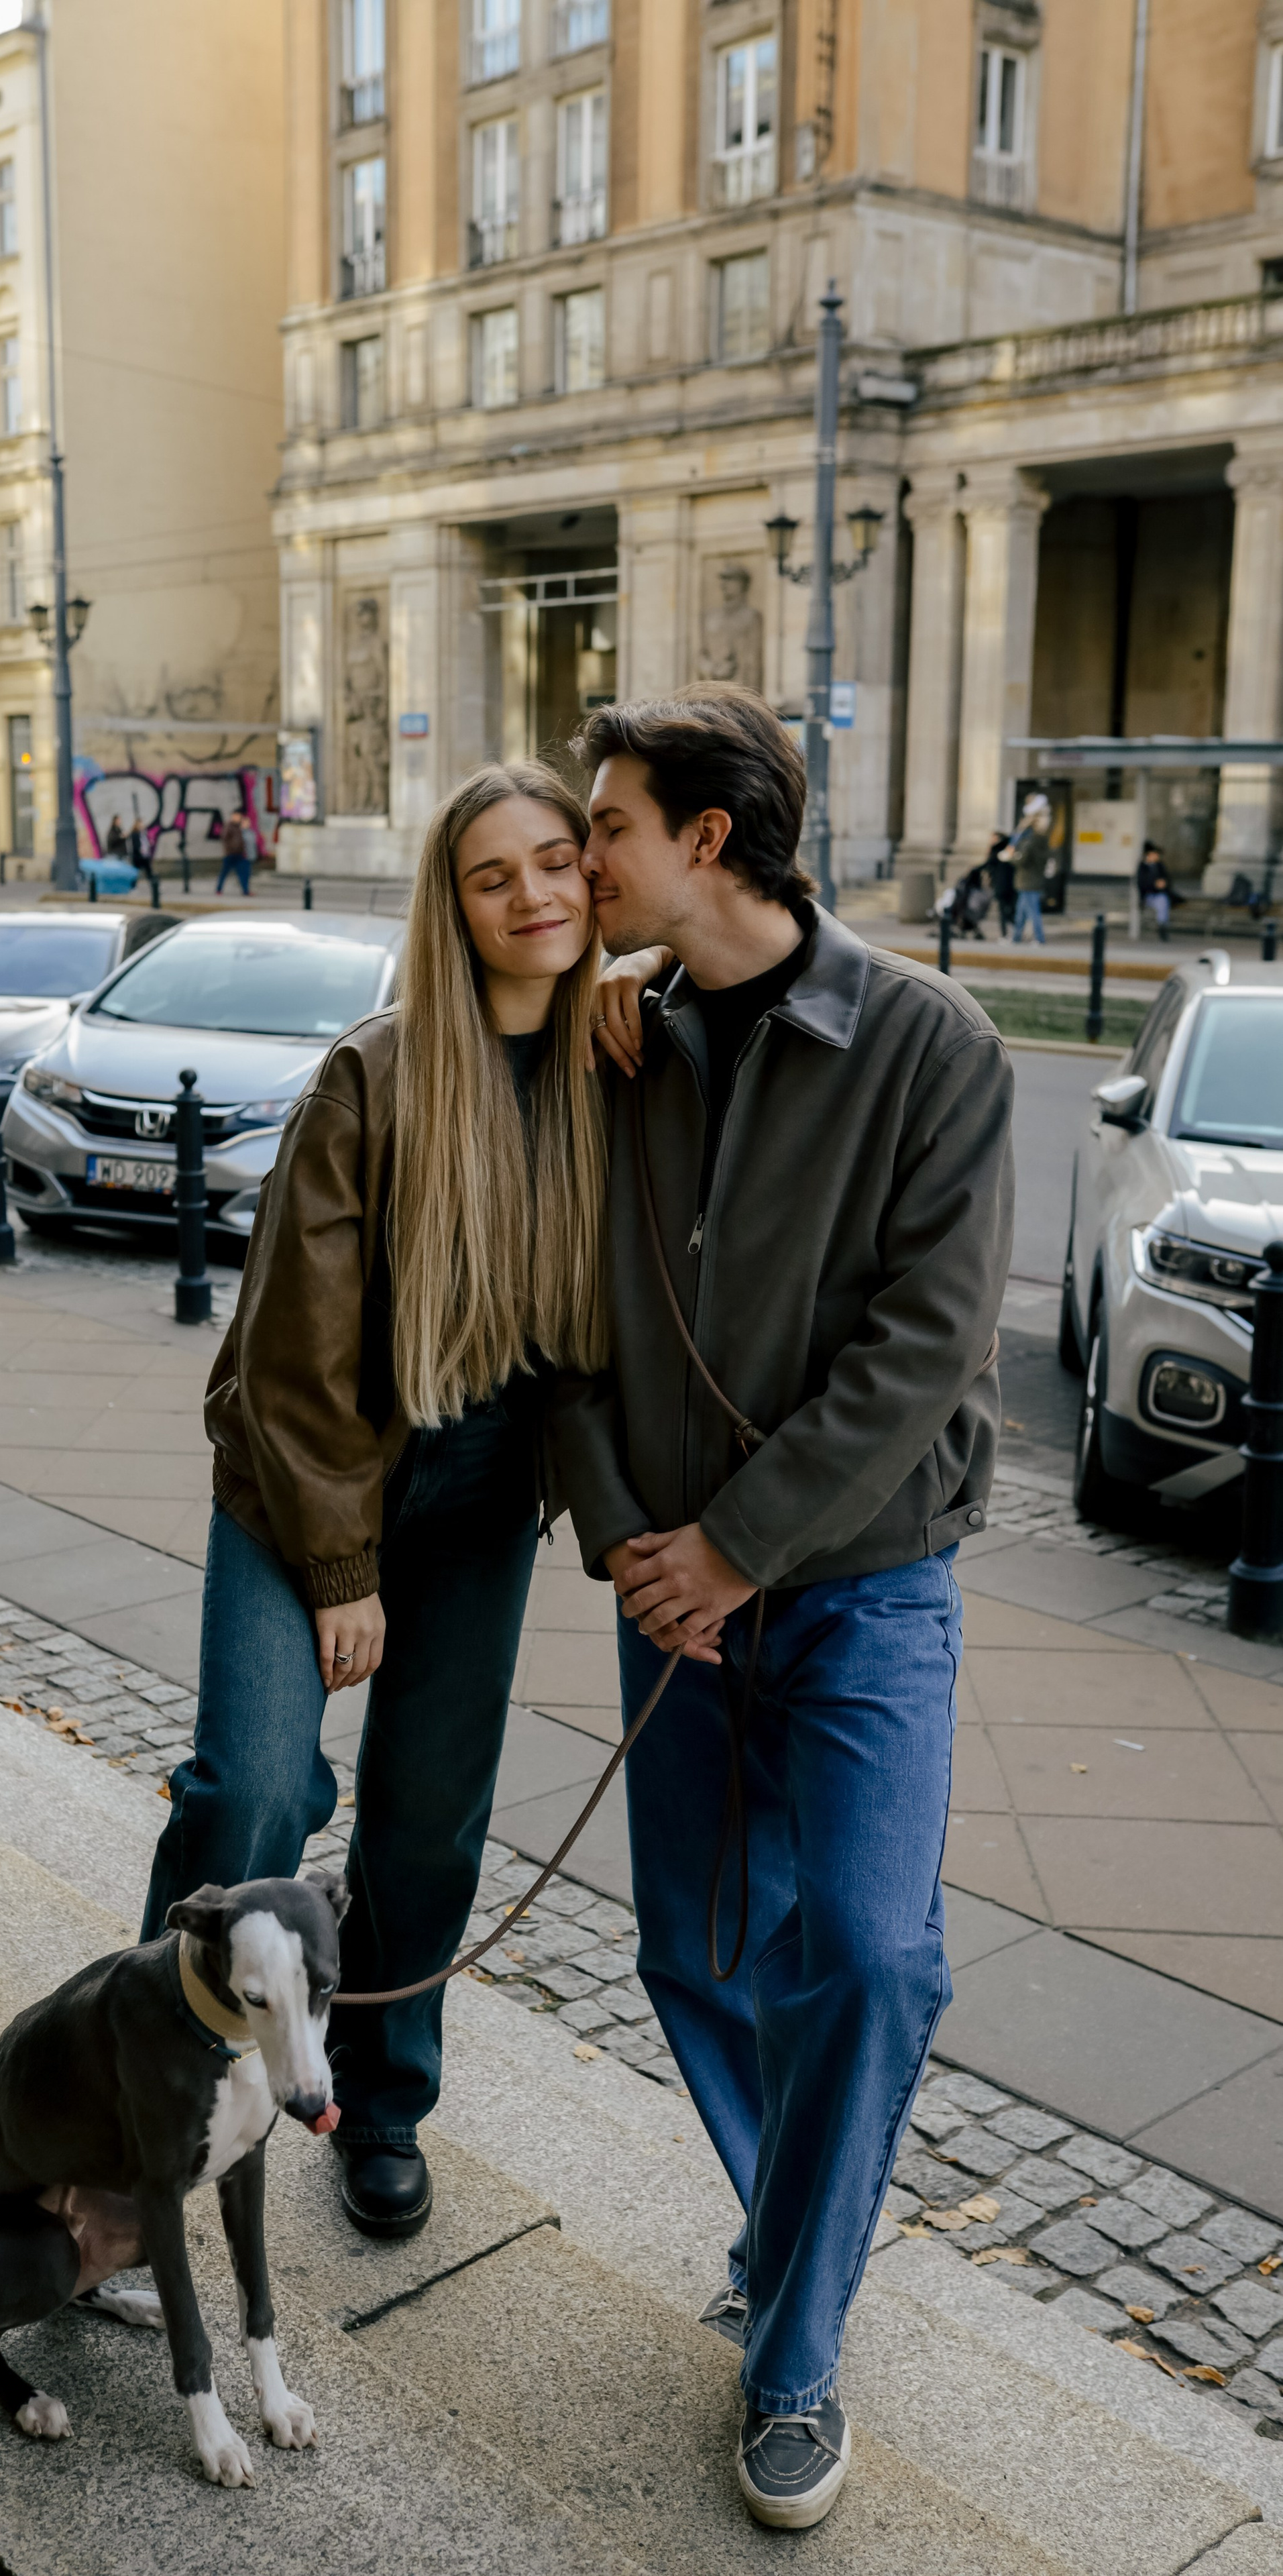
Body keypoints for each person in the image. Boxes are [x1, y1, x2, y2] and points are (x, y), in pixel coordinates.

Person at [555, 688, 1012, 2533]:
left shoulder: (932, 1042)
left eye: (605, 828)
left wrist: (740, 1547)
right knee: (692, 1947)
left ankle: (799, 2346)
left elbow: (930, 1345)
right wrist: (620, 1541)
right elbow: (564, 1323)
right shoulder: (610, 1046)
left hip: (864, 1584)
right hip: (670, 1591)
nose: (581, 858)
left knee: (876, 1956)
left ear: (706, 842)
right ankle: (789, 2222)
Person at [142, 761, 610, 2242]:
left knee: (426, 1825)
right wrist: (343, 1570)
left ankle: (377, 2101)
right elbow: (287, 1358)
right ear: (451, 906)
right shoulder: (380, 1072)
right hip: (303, 1479)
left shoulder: (624, 1070)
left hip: (477, 1509)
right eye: (492, 875)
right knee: (257, 1790)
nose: (531, 894)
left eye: (555, 861)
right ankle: (160, 2060)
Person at [1010, 792, 1053, 945]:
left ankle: (1039, 938)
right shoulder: (1039, 838)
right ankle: (1016, 937)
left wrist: (1013, 858)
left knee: (1032, 911)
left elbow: (1022, 857)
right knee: (1022, 911)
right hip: (1029, 878)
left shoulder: (1033, 839)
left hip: (1029, 879)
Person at [982, 829, 1015, 939]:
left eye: (994, 838)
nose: (991, 841)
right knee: (1008, 910)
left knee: (1004, 911)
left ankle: (1006, 934)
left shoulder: (997, 850)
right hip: (1009, 884)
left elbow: (988, 864)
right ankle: (1012, 931)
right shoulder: (1007, 848)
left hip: (1002, 884)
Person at [1137, 839, 1172, 941]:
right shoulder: (1143, 867)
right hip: (1148, 895)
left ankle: (1162, 925)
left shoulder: (1160, 866)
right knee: (1162, 902)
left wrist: (1164, 883)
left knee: (1162, 901)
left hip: (1160, 894)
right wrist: (1155, 884)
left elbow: (1168, 879)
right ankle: (1162, 926)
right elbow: (1141, 883)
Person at [217, 807, 254, 897]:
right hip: (230, 854)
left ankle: (246, 891)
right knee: (224, 873)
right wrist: (229, 848)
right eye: (236, 816)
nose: (238, 818)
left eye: (239, 816)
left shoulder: (240, 827)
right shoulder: (229, 826)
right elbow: (224, 838)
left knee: (243, 873)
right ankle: (219, 889)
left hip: (240, 854)